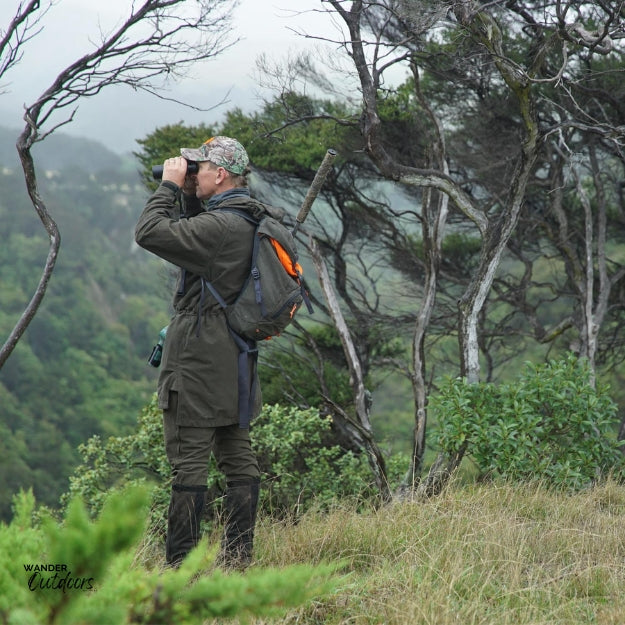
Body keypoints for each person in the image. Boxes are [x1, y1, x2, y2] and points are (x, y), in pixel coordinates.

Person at [135, 136, 269, 569]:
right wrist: (191, 193)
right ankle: (237, 560)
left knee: (189, 464)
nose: (192, 173)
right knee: (236, 453)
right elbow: (200, 249)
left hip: (198, 360)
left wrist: (170, 186)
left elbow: (150, 233)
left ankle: (179, 572)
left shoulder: (219, 227)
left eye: (199, 168)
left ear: (221, 174)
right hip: (235, 357)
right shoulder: (245, 218)